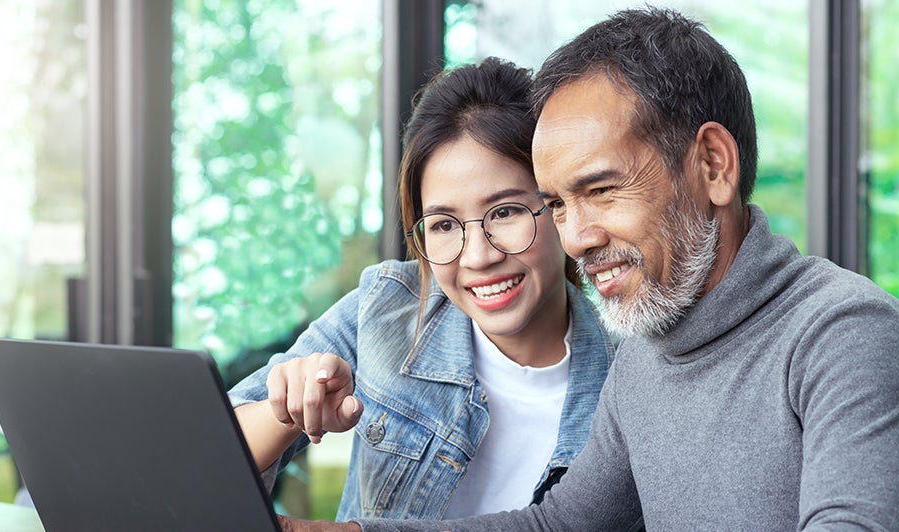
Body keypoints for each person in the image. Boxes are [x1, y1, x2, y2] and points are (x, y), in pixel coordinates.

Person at [278, 7, 899, 531]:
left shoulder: (843, 332)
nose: (576, 239)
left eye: (601, 191)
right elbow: (558, 524)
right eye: (556, 205)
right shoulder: (648, 352)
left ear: (712, 165)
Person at [228, 57, 615, 521]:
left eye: (506, 212)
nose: (477, 256)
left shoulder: (625, 376)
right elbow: (204, 460)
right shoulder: (388, 306)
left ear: (558, 206)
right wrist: (286, 411)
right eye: (444, 224)